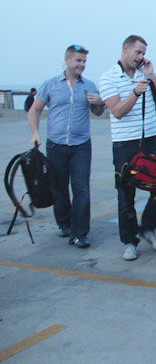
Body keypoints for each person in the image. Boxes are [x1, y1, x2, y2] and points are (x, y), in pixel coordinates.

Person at [99, 35, 156, 261]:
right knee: (126, 193)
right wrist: (136, 92)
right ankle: (129, 242)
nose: (141, 57)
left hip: (151, 139)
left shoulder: (144, 74)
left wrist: (151, 77)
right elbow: (117, 111)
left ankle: (148, 228)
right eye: (138, 52)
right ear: (125, 49)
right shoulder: (108, 78)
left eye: (143, 53)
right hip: (125, 143)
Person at [28, 45, 105, 248]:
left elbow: (98, 112)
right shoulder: (51, 84)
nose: (82, 65)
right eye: (78, 61)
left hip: (81, 146)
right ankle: (64, 224)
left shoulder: (89, 85)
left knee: (81, 189)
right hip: (56, 146)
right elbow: (34, 110)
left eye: (84, 61)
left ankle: (80, 233)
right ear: (67, 60)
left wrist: (100, 102)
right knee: (60, 189)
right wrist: (35, 133)